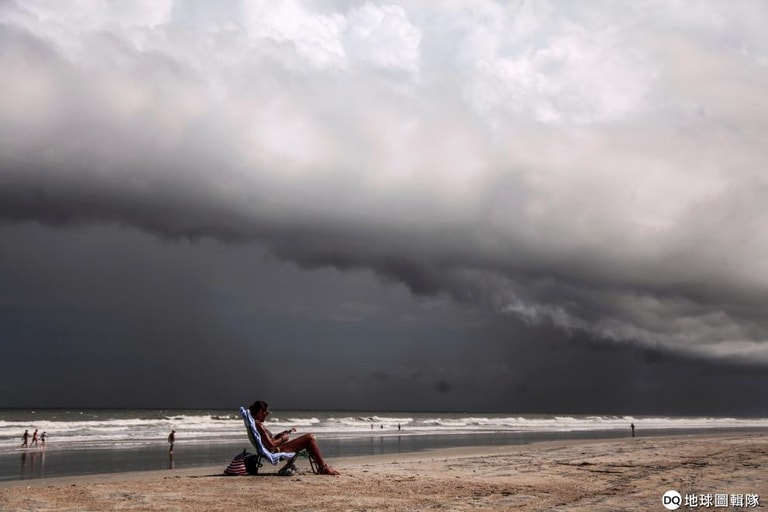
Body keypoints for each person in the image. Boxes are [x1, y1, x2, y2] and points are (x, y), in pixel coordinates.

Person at [248, 401, 339, 475]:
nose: (267, 414)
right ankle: (323, 467)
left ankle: (322, 467)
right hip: (276, 451)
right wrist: (283, 438)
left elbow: (267, 442)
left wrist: (278, 436)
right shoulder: (258, 425)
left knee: (309, 441)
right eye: (266, 412)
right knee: (310, 438)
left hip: (273, 450)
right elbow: (271, 446)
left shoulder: (254, 424)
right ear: (260, 412)